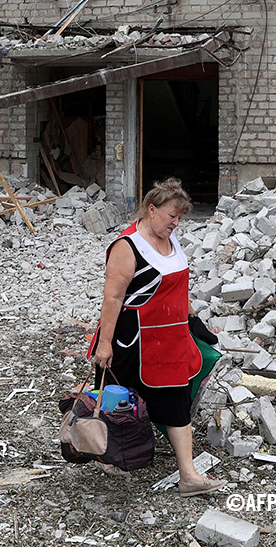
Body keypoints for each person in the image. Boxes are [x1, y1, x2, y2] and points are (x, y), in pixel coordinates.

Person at [90, 177, 226, 495]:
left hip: (170, 340)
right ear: (152, 210)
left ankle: (188, 476)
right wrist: (105, 343)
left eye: (179, 218)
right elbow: (112, 298)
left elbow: (177, 284)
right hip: (132, 340)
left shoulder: (170, 239)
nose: (176, 223)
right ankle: (107, 455)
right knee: (116, 399)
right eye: (171, 216)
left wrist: (193, 317)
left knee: (176, 402)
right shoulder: (127, 246)